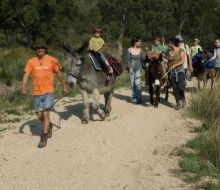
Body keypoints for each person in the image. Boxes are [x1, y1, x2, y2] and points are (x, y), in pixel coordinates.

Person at [21, 39, 68, 148]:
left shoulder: (52, 59)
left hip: (49, 91)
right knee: (39, 115)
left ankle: (44, 135)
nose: (40, 49)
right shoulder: (31, 61)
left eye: (42, 48)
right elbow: (26, 74)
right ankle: (49, 125)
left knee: (46, 113)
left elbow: (59, 74)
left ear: (45, 49)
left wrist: (64, 86)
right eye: (38, 48)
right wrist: (23, 87)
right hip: (37, 92)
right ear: (36, 50)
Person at [168, 38, 186, 110]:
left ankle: (183, 99)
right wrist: (167, 63)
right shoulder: (169, 52)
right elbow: (168, 61)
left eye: (169, 43)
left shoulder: (181, 51)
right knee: (174, 88)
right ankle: (178, 103)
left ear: (172, 43)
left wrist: (174, 66)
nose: (168, 44)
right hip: (171, 72)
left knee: (180, 87)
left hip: (180, 71)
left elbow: (182, 61)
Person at [126, 37, 145, 104]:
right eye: (139, 42)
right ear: (135, 42)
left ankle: (139, 98)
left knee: (137, 84)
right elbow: (128, 60)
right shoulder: (129, 50)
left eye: (140, 42)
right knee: (132, 84)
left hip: (138, 69)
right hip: (131, 69)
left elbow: (143, 59)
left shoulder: (141, 50)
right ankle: (134, 98)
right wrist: (130, 67)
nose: (140, 43)